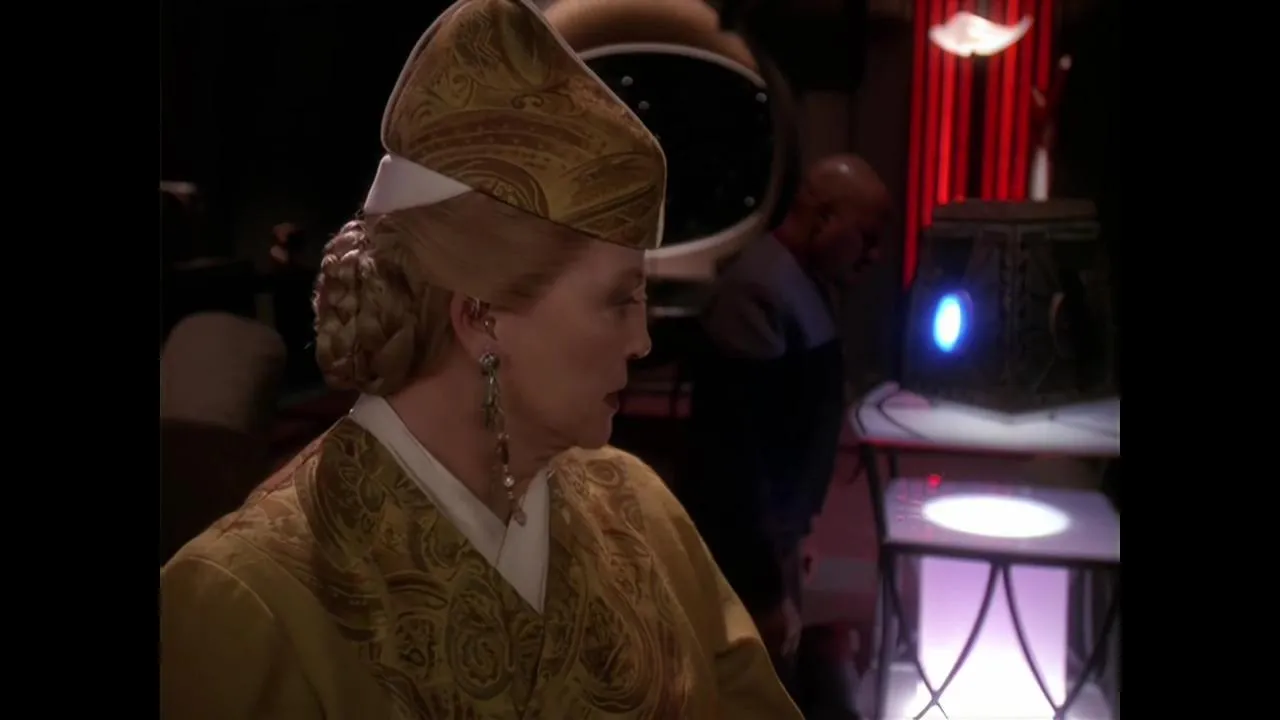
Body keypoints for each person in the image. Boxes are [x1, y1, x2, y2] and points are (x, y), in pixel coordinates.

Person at [159, 1, 802, 718]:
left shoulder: (640, 507)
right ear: (480, 317)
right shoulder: (242, 599)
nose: (642, 340)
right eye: (619, 301)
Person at [678, 154, 890, 714]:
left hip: (769, 548)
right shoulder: (760, 292)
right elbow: (733, 462)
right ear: (824, 218)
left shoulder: (793, 284)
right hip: (743, 561)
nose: (874, 255)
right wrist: (766, 588)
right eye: (867, 237)